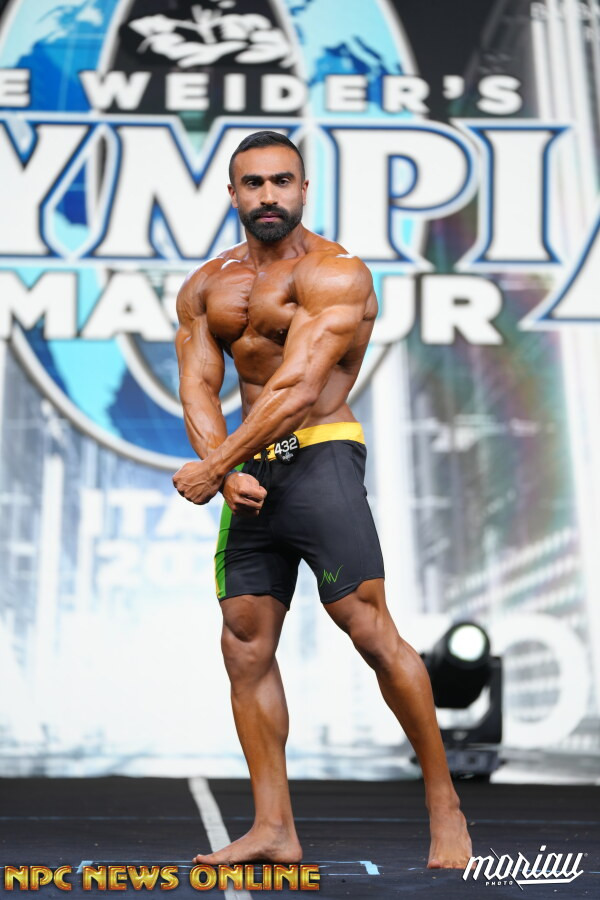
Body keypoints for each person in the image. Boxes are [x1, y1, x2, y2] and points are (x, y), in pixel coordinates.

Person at [172, 131, 473, 869]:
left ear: (304, 189)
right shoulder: (206, 286)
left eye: (282, 181)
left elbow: (300, 387)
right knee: (244, 641)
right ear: (233, 194)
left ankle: (444, 801)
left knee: (368, 630)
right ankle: (274, 827)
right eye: (253, 183)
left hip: (320, 455)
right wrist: (226, 470)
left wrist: (215, 465)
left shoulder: (335, 272)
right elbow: (199, 384)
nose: (268, 195)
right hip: (248, 469)